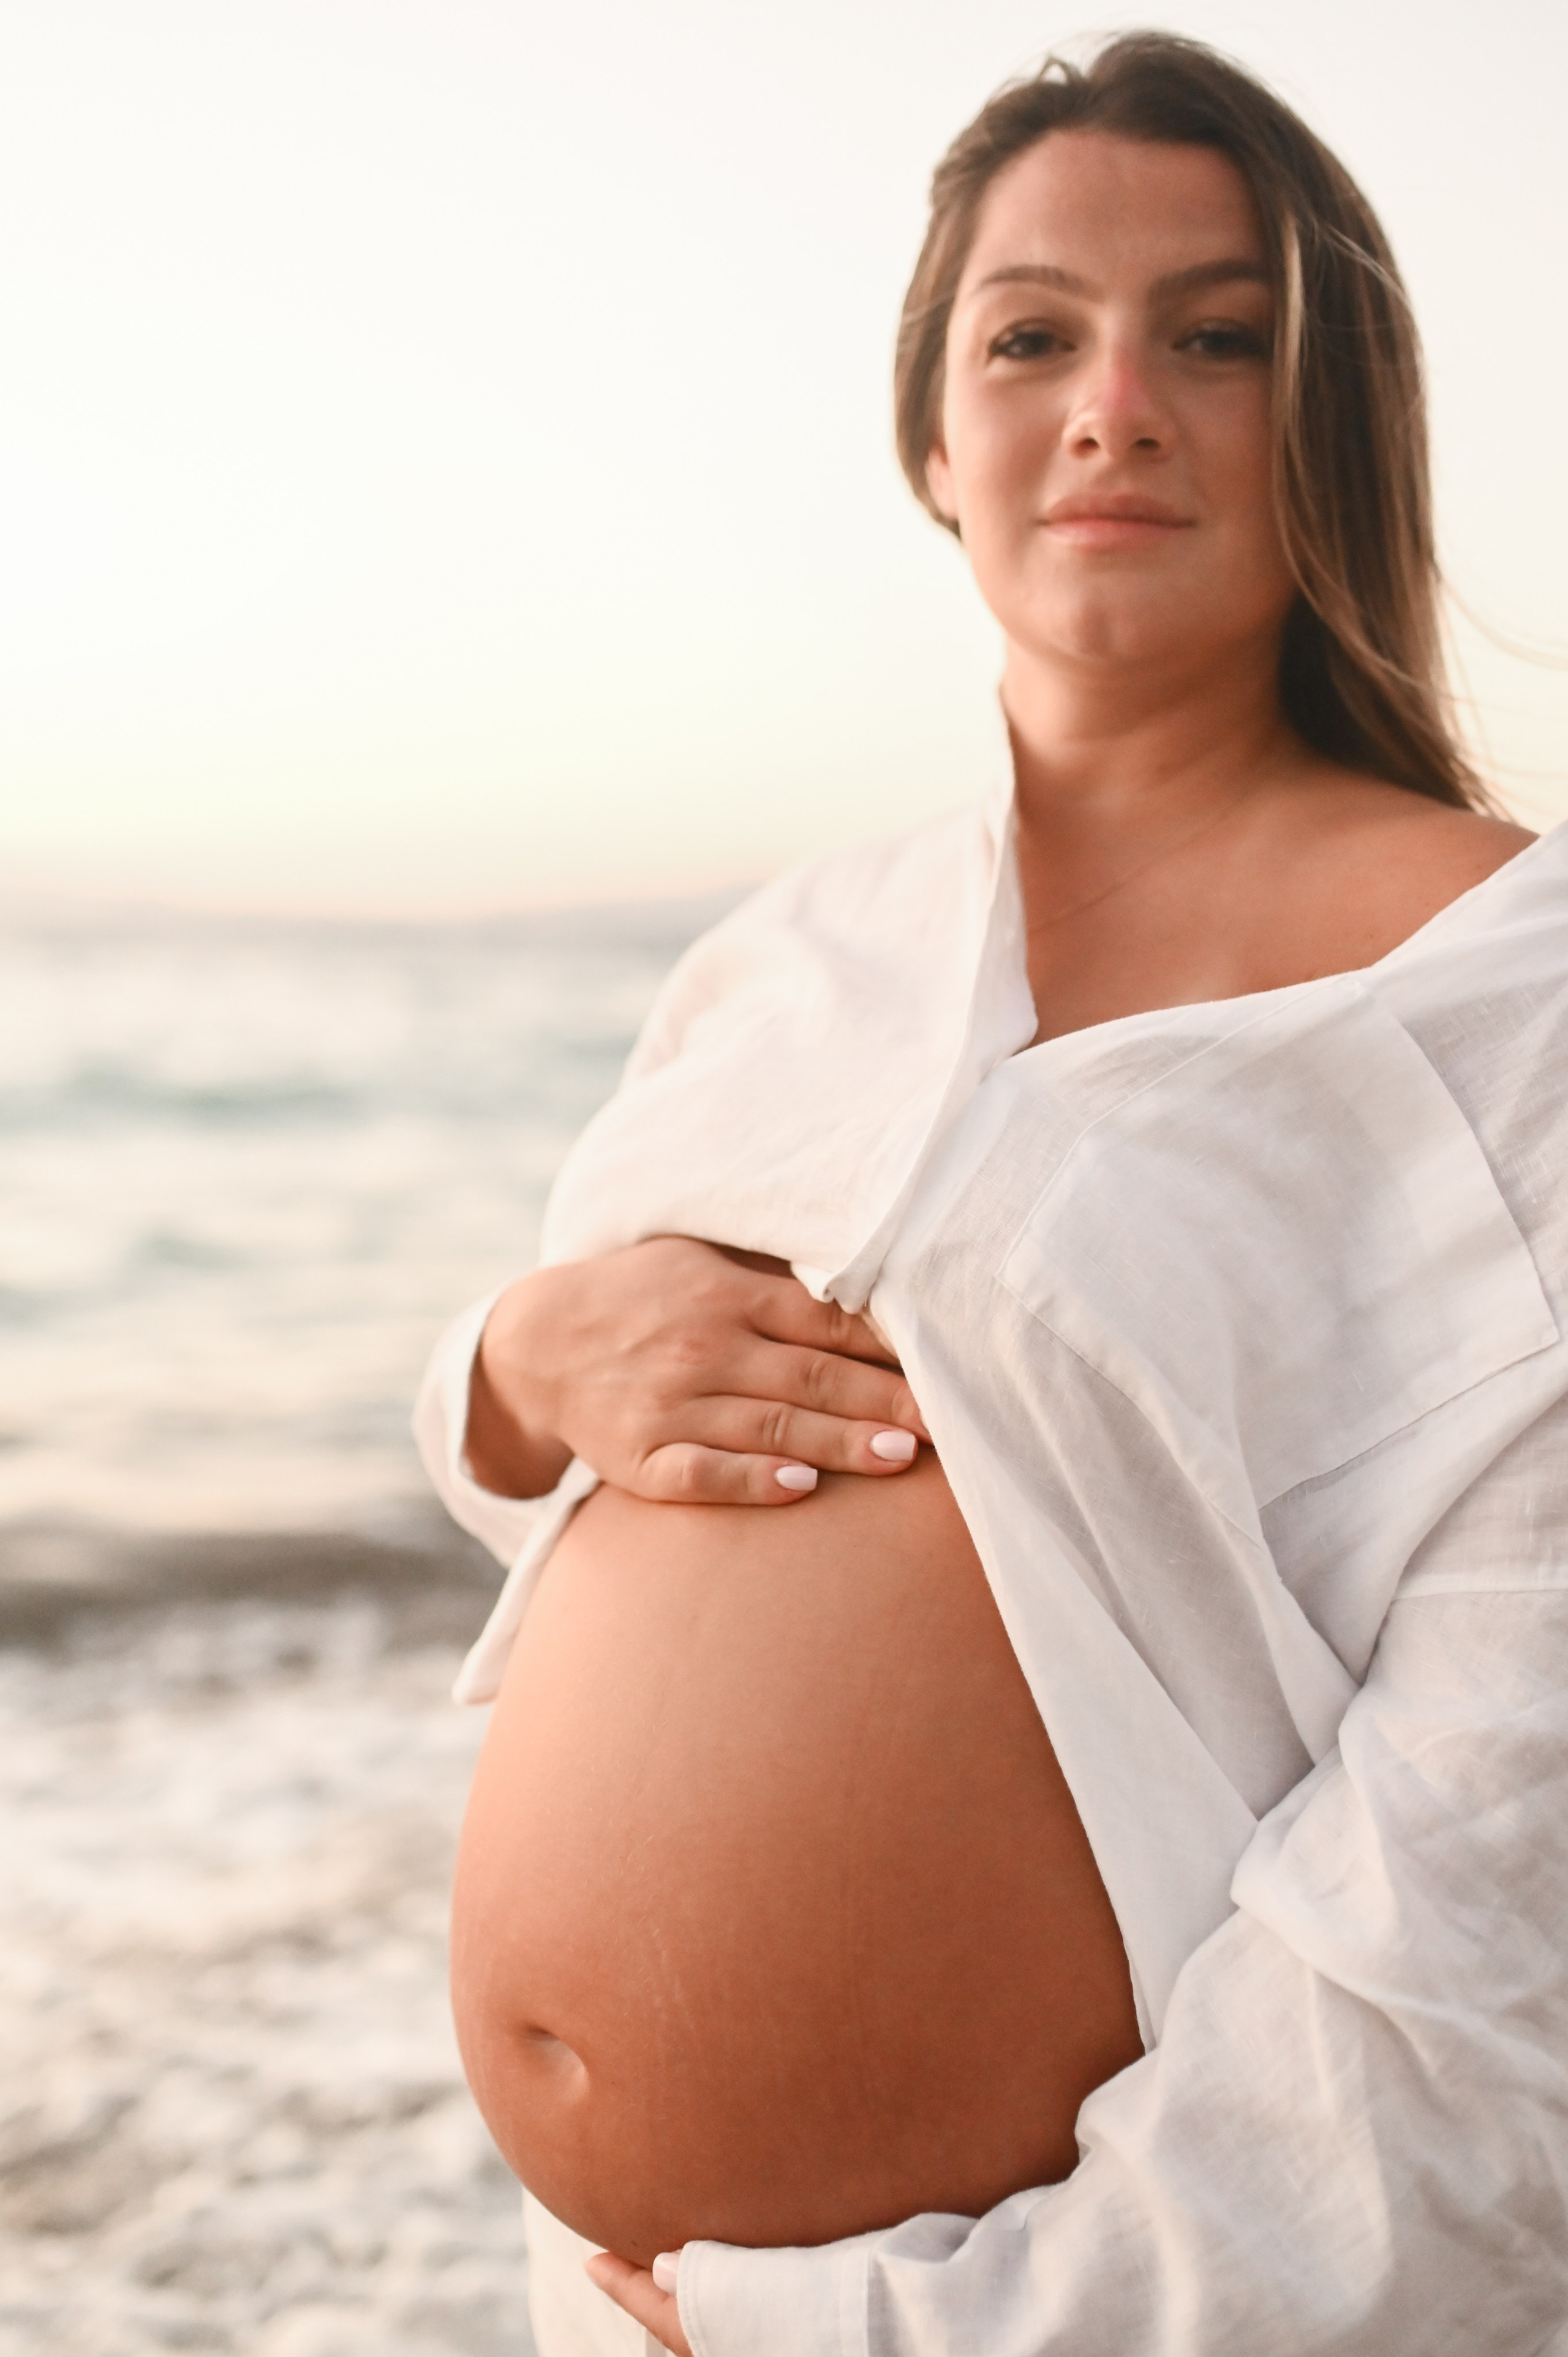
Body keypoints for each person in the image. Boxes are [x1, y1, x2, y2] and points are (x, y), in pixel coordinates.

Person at [416, 32, 1568, 2356]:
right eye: (1031, 332)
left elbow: (1482, 1937)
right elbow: (607, 1471)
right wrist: (510, 1368)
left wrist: (899, 2334)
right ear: (932, 439)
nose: (1115, 402)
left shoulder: (1513, 1015)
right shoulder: (791, 954)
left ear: (1334, 417)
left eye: (1218, 338)